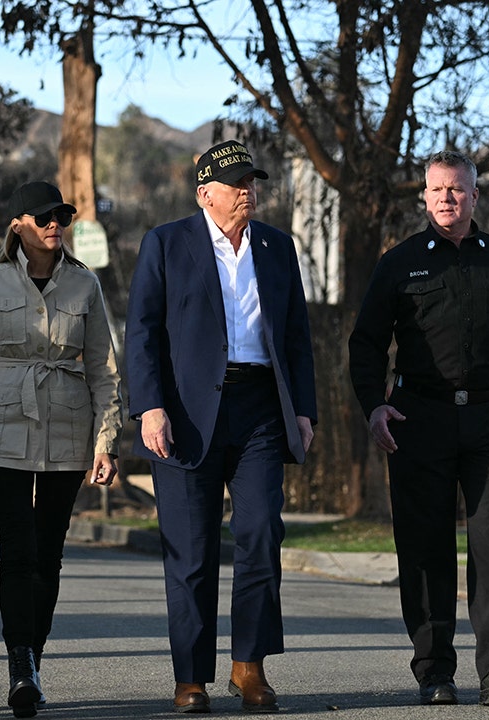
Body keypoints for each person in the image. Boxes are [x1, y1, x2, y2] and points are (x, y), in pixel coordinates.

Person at [348, 150, 489, 707]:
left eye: (458, 189)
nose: (447, 198)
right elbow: (365, 343)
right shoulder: (399, 264)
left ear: (474, 196)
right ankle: (435, 670)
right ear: (424, 196)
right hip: (418, 419)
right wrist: (374, 406)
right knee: (426, 546)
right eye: (437, 189)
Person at [125, 140, 317, 714]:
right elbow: (142, 332)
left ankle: (248, 666)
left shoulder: (278, 247)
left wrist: (302, 411)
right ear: (204, 192)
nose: (247, 191)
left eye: (252, 182)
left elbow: (297, 337)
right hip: (185, 413)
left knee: (260, 533)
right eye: (236, 183)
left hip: (259, 407)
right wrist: (149, 407)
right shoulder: (166, 242)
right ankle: (191, 678)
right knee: (192, 549)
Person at [0, 181, 123, 719]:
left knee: (49, 552)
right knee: (16, 551)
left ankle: (33, 658)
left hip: (68, 429)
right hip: (0, 426)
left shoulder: (85, 284)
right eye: (45, 215)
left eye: (63, 215)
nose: (56, 223)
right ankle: (19, 662)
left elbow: (104, 369)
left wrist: (107, 441)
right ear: (18, 224)